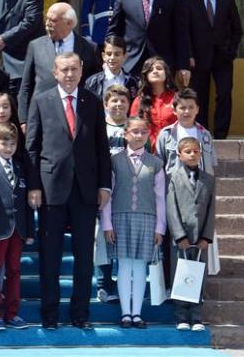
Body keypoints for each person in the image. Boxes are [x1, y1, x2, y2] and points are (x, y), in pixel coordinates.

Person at [26, 52, 112, 330]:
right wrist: (34, 185)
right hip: (51, 189)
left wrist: (104, 184)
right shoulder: (41, 101)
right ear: (55, 72)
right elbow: (32, 148)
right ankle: (50, 314)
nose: (69, 74)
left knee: (84, 256)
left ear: (82, 69)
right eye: (64, 69)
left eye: (74, 69)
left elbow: (101, 147)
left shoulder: (92, 101)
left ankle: (80, 314)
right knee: (50, 255)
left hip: (85, 190)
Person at [102, 117, 166, 329]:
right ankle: (125, 313)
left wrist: (160, 227)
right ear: (125, 134)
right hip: (119, 217)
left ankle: (137, 313)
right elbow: (107, 195)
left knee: (139, 267)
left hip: (147, 219)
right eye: (135, 132)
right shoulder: (114, 161)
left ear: (149, 135)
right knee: (124, 266)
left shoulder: (156, 163)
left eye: (143, 132)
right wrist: (107, 224)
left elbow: (160, 198)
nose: (139, 136)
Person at [0, 122, 35, 331]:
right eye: (4, 143)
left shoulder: (20, 167)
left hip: (18, 230)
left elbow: (26, 202)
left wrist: (29, 230)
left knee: (14, 270)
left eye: (12, 143)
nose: (8, 148)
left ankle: (12, 313)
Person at [107, 0, 190, 84]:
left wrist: (183, 65)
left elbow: (181, 34)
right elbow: (114, 30)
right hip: (131, 63)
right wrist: (110, 57)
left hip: (162, 64)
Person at [18, 3, 100, 128]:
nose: (47, 24)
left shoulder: (89, 48)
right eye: (47, 19)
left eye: (54, 20)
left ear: (69, 23)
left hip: (78, 116)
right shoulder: (36, 46)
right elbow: (26, 85)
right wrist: (23, 120)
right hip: (43, 114)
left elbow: (96, 84)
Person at [184, 0, 243, 140]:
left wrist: (231, 51)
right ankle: (201, 133)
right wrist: (189, 55)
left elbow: (237, 29)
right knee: (200, 97)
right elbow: (185, 32)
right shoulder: (190, 2)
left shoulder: (227, 0)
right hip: (198, 58)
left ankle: (220, 135)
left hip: (223, 58)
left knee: (224, 94)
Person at [166, 136, 216, 332]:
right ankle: (181, 316)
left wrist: (206, 236)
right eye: (188, 152)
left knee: (198, 275)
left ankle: (196, 316)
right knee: (180, 275)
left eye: (196, 151)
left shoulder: (208, 179)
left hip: (200, 238)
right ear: (179, 155)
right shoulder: (173, 177)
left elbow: (211, 209)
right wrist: (179, 235)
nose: (192, 154)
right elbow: (171, 208)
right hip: (182, 239)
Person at [95, 83, 132, 304]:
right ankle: (104, 283)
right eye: (114, 101)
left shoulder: (135, 127)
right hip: (103, 189)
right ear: (105, 104)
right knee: (102, 237)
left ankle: (125, 283)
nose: (118, 104)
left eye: (123, 100)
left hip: (127, 190)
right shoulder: (99, 127)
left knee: (124, 237)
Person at [156, 88, 217, 175]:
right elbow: (158, 164)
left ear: (197, 109)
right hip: (175, 182)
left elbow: (212, 163)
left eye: (191, 107)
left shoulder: (205, 134)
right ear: (174, 110)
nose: (187, 111)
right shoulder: (166, 134)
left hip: (201, 182)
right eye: (182, 108)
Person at [130, 56, 177, 152]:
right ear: (146, 75)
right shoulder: (139, 101)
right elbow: (132, 129)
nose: (155, 71)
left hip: (173, 151)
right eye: (151, 70)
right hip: (147, 153)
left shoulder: (177, 98)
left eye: (159, 68)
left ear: (166, 73)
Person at [84, 35, 139, 101]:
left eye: (117, 54)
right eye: (109, 54)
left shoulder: (133, 81)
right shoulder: (92, 82)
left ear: (124, 56)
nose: (112, 58)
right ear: (103, 56)